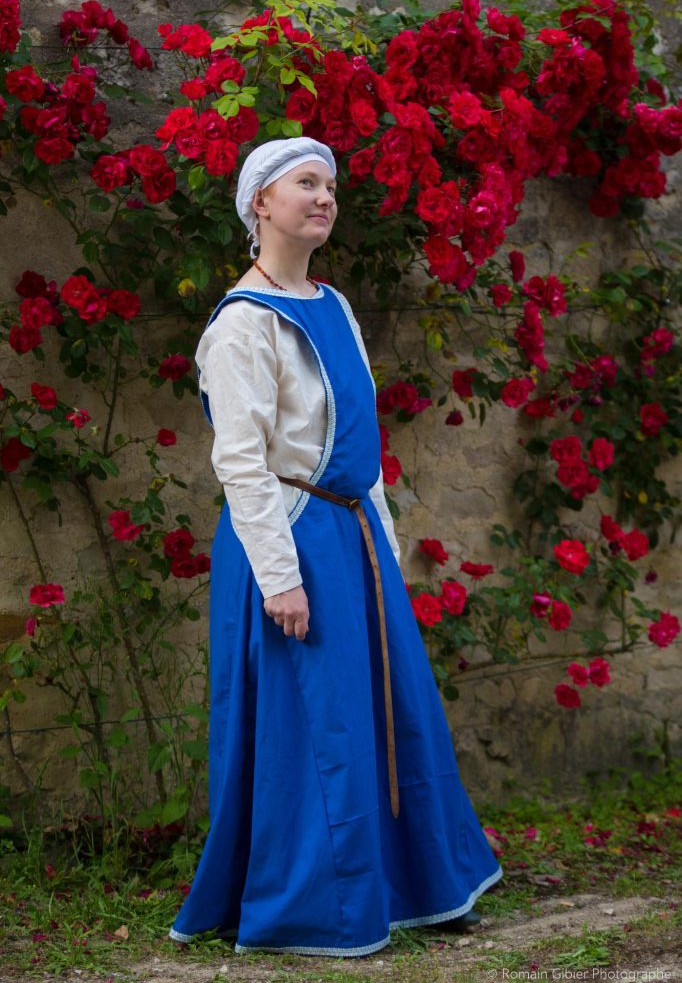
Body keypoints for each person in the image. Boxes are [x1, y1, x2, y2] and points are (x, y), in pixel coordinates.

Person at [168, 136, 503, 956]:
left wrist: (382, 545)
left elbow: (359, 441)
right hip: (290, 537)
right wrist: (279, 577)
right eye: (306, 184)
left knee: (390, 712)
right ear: (261, 203)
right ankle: (319, 904)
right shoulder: (242, 325)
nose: (326, 197)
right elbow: (241, 463)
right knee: (318, 725)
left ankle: (417, 885)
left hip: (351, 539)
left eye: (330, 186)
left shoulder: (335, 304)